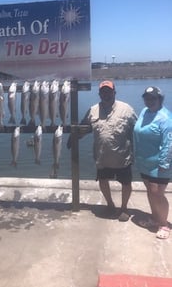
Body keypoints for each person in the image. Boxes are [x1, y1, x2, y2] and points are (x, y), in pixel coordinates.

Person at [68, 80, 137, 221]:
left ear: (114, 92)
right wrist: (73, 136)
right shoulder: (93, 110)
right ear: (99, 94)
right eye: (103, 92)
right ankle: (110, 205)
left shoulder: (127, 109)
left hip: (122, 157)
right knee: (103, 181)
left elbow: (138, 130)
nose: (106, 94)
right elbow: (83, 127)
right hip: (102, 157)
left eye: (109, 91)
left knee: (126, 183)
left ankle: (124, 208)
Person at [134, 86, 172, 239]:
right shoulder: (144, 112)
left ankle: (164, 224)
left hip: (159, 164)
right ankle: (155, 218)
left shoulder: (166, 119)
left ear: (160, 99)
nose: (149, 101)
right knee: (150, 192)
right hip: (144, 162)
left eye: (153, 98)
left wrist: (164, 164)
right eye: (146, 97)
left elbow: (169, 144)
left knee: (158, 194)